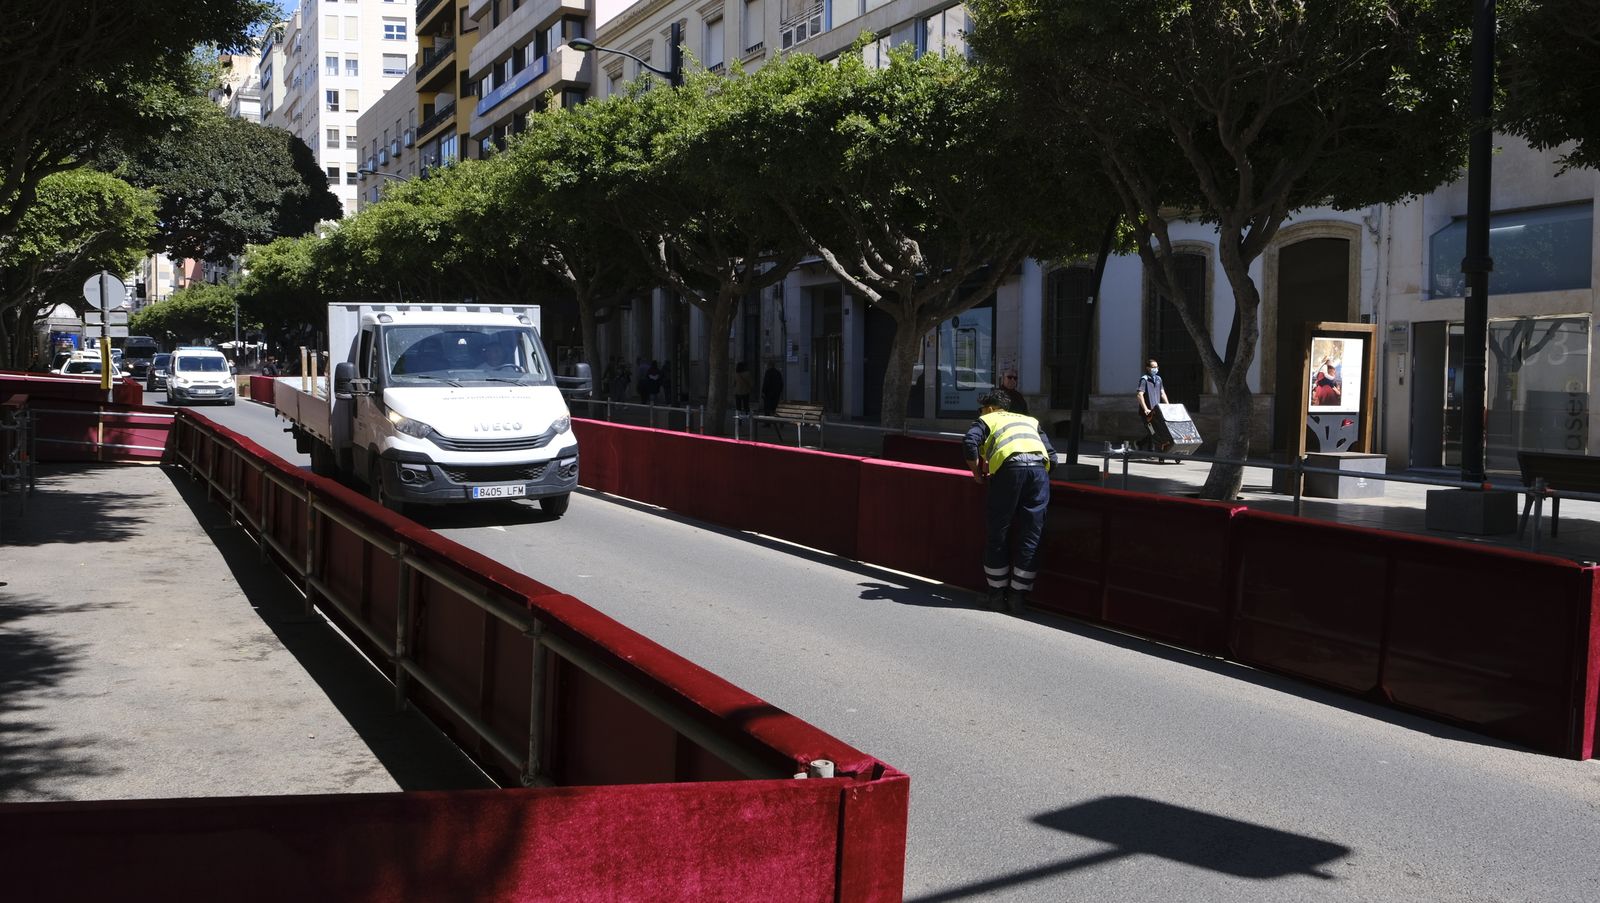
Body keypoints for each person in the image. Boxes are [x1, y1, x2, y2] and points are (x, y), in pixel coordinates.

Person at [964, 392, 1054, 612]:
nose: (980, 413)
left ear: (992, 408)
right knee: (1031, 534)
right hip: (1038, 472)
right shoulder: (1030, 421)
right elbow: (1052, 455)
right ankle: (1017, 597)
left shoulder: (988, 419)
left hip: (1008, 471)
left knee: (998, 532)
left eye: (981, 409)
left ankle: (995, 595)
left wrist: (976, 473)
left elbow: (969, 442)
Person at [1136, 359, 1170, 451]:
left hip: (1156, 411)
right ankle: (1151, 451)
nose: (1155, 369)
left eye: (1156, 367)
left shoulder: (1159, 379)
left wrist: (1168, 405)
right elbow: (1139, 395)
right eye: (1153, 367)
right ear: (1148, 368)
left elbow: (1162, 393)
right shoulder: (1144, 379)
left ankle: (1140, 443)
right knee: (1152, 431)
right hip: (1147, 412)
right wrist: (1145, 409)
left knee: (1155, 430)